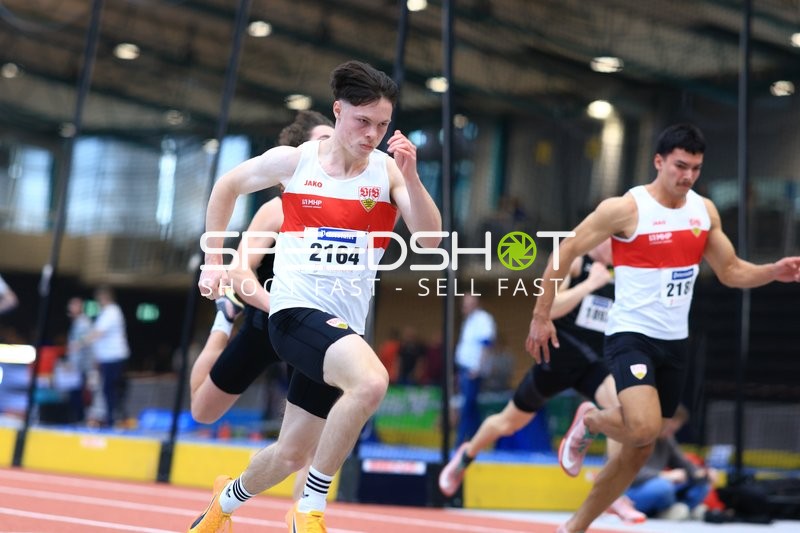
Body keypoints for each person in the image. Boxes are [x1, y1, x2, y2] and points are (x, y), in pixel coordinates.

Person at [190, 60, 442, 533]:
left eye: (382, 125)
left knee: (292, 452)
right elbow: (226, 186)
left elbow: (430, 239)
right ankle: (309, 511)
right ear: (338, 111)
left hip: (341, 327)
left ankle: (222, 505)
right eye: (362, 121)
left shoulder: (387, 171)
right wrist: (214, 259)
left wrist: (412, 176)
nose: (371, 134)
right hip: (292, 313)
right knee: (370, 383)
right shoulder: (297, 162)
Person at [525, 123, 800, 533]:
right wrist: (541, 315)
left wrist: (772, 271)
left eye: (696, 168)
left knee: (639, 449)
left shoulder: (704, 212)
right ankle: (591, 421)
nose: (687, 176)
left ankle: (573, 528)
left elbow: (730, 271)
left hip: (675, 342)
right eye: (680, 166)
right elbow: (566, 251)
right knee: (642, 427)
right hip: (631, 335)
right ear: (659, 161)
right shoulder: (625, 209)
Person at [439, 239, 645, 524]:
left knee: (621, 410)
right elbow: (552, 307)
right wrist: (589, 284)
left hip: (592, 364)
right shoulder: (577, 261)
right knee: (507, 422)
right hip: (556, 360)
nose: (616, 248)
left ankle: (614, 494)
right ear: (598, 239)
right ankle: (466, 455)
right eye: (611, 241)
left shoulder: (622, 273)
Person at [189, 110, 336, 502]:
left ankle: (305, 514)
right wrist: (281, 306)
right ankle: (221, 324)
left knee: (306, 437)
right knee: (203, 411)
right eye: (322, 139)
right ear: (299, 150)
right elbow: (240, 273)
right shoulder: (277, 209)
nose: (331, 147)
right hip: (265, 323)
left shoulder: (340, 208)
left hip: (311, 330)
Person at [626, 405, 718, 520]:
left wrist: (701, 473)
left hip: (654, 485)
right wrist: (664, 475)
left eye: (674, 430)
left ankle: (679, 509)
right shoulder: (638, 437)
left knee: (702, 483)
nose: (671, 432)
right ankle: (674, 510)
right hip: (630, 491)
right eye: (669, 428)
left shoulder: (667, 439)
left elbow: (684, 464)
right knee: (663, 487)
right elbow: (628, 473)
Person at [80, 286, 130, 427]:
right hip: (107, 358)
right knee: (108, 390)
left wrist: (81, 343)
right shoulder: (106, 312)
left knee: (111, 389)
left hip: (114, 357)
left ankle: (113, 419)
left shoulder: (112, 312)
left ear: (105, 297)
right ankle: (111, 418)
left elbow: (98, 333)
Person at [454, 293, 496, 446]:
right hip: (464, 369)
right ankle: (475, 441)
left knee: (467, 406)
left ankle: (461, 442)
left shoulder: (483, 319)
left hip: (473, 371)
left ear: (475, 303)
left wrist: (478, 368)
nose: (464, 307)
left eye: (467, 303)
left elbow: (487, 345)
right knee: (469, 407)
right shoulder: (469, 321)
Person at [65, 297, 93, 423]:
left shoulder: (83, 323)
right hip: (77, 365)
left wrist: (73, 364)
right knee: (75, 393)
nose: (70, 308)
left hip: (81, 366)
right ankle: (77, 417)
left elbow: (82, 345)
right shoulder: (77, 322)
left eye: (73, 305)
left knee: (79, 394)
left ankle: (79, 419)